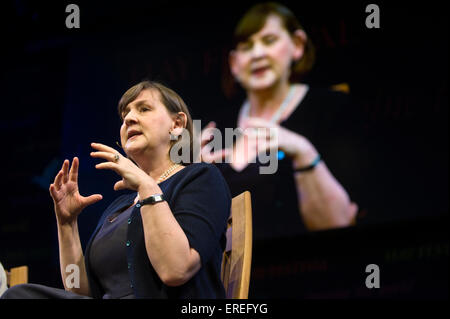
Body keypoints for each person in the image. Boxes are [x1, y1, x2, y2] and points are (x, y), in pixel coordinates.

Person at [2, 81, 231, 299]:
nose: (129, 118)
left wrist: (148, 187)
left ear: (177, 124)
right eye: (125, 116)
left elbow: (176, 270)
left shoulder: (200, 178)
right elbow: (76, 291)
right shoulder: (118, 207)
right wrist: (67, 225)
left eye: (144, 109)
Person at [201, 2, 365, 240]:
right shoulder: (215, 128)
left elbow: (340, 222)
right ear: (234, 64)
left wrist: (303, 151)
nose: (257, 54)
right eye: (247, 47)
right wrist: (195, 177)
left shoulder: (332, 108)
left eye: (269, 41)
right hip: (233, 275)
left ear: (297, 45)